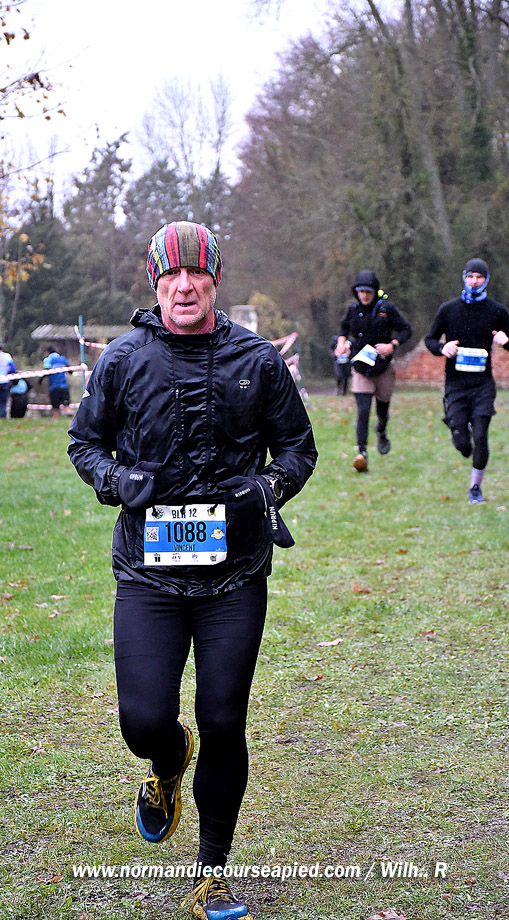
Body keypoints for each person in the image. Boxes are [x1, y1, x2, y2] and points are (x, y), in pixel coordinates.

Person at [68, 221, 317, 920]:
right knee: (143, 720)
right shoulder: (122, 360)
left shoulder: (257, 360)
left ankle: (212, 873)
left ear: (214, 282)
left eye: (196, 275)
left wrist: (265, 489)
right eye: (171, 275)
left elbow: (298, 450)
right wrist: (115, 480)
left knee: (224, 718)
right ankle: (167, 761)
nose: (184, 287)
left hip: (233, 574)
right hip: (147, 574)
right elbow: (84, 443)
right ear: (155, 282)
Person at [424, 258, 509, 503]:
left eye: (479, 277)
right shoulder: (448, 309)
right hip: (456, 384)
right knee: (463, 444)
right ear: (464, 278)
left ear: (486, 280)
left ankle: (475, 488)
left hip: (483, 385)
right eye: (470, 276)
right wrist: (442, 348)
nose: (474, 281)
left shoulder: (497, 311)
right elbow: (430, 339)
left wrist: (506, 341)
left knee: (481, 436)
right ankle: (458, 429)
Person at [334, 271, 412, 471]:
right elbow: (343, 329)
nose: (364, 295)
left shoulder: (387, 309)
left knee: (382, 410)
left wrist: (392, 345)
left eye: (368, 291)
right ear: (356, 292)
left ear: (375, 291)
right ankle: (362, 453)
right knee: (363, 411)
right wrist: (341, 344)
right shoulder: (352, 310)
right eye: (361, 291)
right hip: (361, 368)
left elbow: (406, 329)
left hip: (383, 367)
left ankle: (382, 430)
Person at [43, 345, 71, 418]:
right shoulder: (63, 359)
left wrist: (40, 379)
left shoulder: (48, 359)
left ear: (48, 352)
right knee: (66, 405)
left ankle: (56, 419)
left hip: (54, 387)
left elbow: (46, 371)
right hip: (64, 386)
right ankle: (69, 416)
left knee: (55, 408)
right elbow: (70, 371)